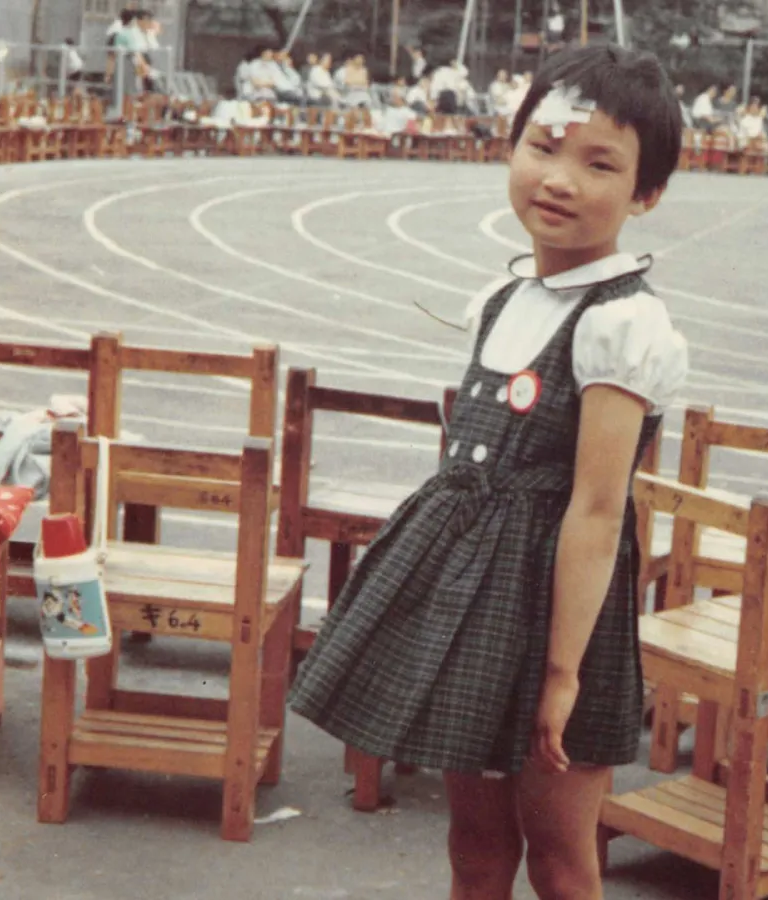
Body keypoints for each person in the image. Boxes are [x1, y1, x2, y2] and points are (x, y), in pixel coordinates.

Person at [289, 43, 688, 900]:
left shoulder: (623, 324)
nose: (561, 180)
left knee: (559, 857)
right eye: (543, 148)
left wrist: (562, 676)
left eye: (600, 164)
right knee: (473, 842)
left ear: (646, 193)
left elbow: (594, 510)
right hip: (474, 609)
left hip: (560, 623)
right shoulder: (503, 298)